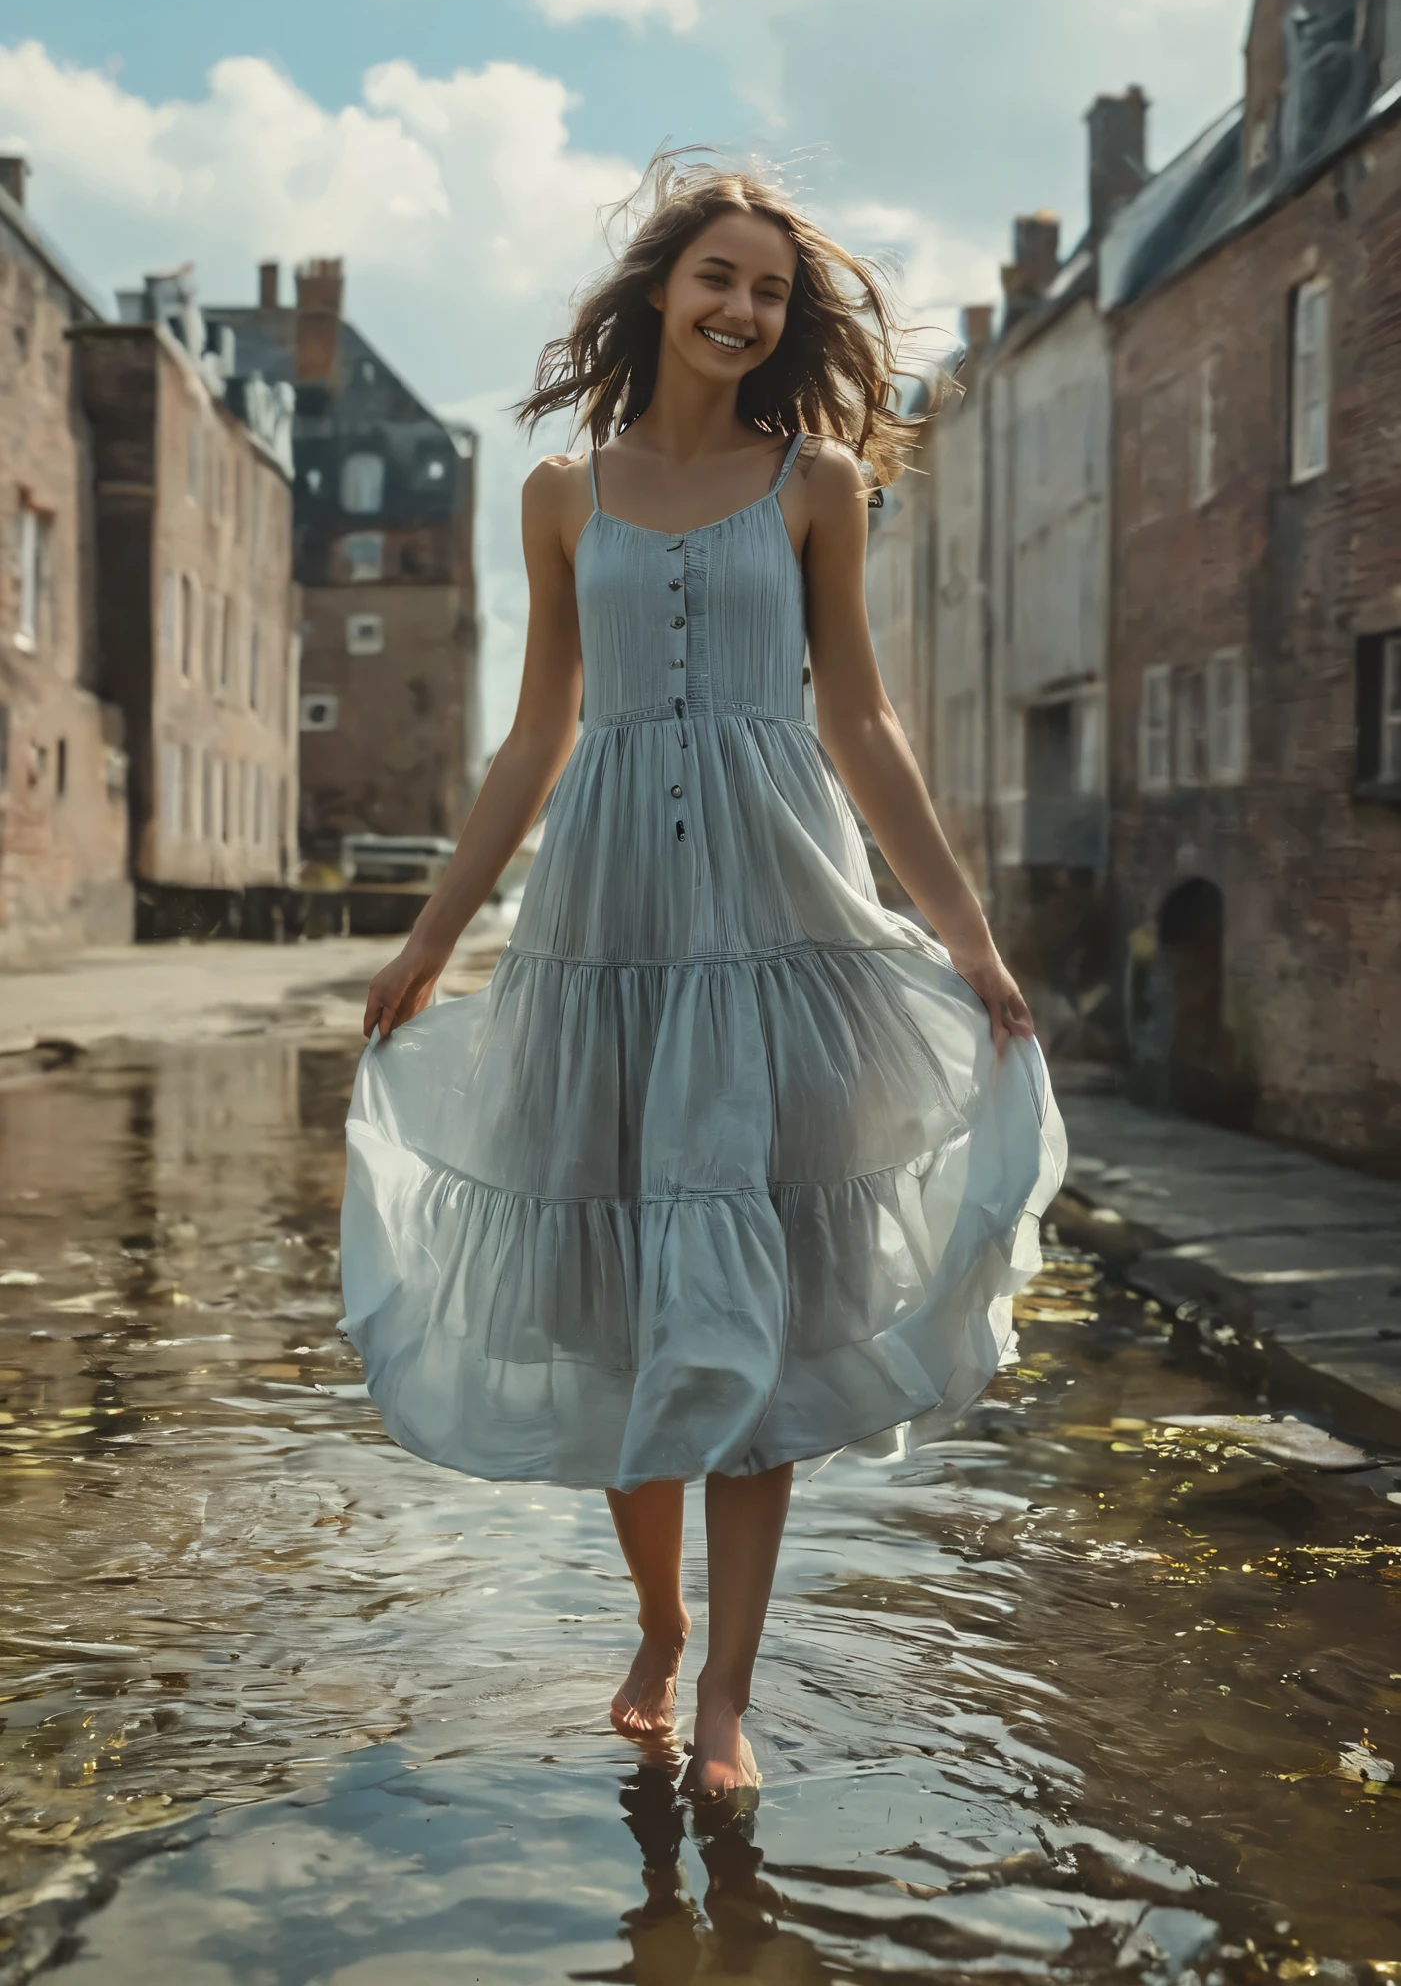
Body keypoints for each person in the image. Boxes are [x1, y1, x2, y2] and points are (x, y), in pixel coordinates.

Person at [340, 155, 1065, 1809]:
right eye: (718, 280)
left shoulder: (813, 483)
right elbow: (535, 738)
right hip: (606, 926)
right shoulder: (558, 499)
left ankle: (727, 1692)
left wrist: (966, 938)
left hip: (772, 918)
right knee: (625, 1305)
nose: (743, 312)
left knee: (757, 1296)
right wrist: (434, 940)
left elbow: (859, 724)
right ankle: (659, 1627)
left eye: (771, 295)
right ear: (659, 291)